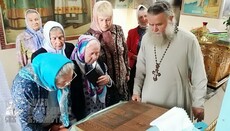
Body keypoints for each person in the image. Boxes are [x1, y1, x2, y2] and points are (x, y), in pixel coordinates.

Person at [132, 1, 207, 122]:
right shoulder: (146, 38)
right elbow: (140, 68)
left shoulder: (188, 40)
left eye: (159, 24)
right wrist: (136, 91)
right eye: (151, 24)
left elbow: (199, 75)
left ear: (171, 19)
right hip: (149, 102)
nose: (154, 29)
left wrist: (198, 103)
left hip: (176, 103)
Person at [11, 53, 76, 130]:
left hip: (52, 123)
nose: (68, 84)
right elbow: (25, 122)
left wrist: (58, 124)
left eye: (70, 79)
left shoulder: (63, 79)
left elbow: (65, 104)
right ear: (50, 77)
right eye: (64, 81)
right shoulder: (24, 86)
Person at [85, 1, 130, 107]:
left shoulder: (118, 30)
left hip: (122, 83)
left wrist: (127, 72)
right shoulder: (88, 36)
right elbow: (87, 64)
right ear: (96, 18)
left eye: (108, 20)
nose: (105, 23)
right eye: (101, 20)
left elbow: (125, 52)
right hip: (103, 87)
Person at [70, 35, 112, 120]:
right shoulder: (71, 69)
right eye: (91, 53)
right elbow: (68, 98)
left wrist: (108, 80)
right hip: (82, 116)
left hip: (101, 112)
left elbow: (111, 86)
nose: (95, 57)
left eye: (97, 53)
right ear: (82, 51)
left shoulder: (99, 63)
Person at [127, 5, 148, 96]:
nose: (144, 19)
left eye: (145, 16)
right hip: (134, 67)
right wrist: (134, 57)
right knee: (134, 90)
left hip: (149, 67)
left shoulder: (155, 31)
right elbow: (126, 50)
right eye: (141, 17)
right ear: (138, 19)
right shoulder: (131, 32)